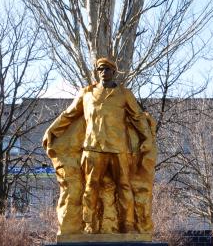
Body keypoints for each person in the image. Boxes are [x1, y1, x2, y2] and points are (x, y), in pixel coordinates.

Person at [43, 57, 153, 234]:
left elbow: (139, 118)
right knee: (90, 187)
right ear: (97, 72)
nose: (104, 72)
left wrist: (146, 138)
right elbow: (69, 114)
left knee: (124, 186)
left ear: (114, 72)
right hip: (92, 148)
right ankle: (89, 224)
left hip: (119, 148)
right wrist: (52, 129)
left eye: (107, 69)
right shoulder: (86, 93)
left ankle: (128, 225)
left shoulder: (125, 94)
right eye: (101, 69)